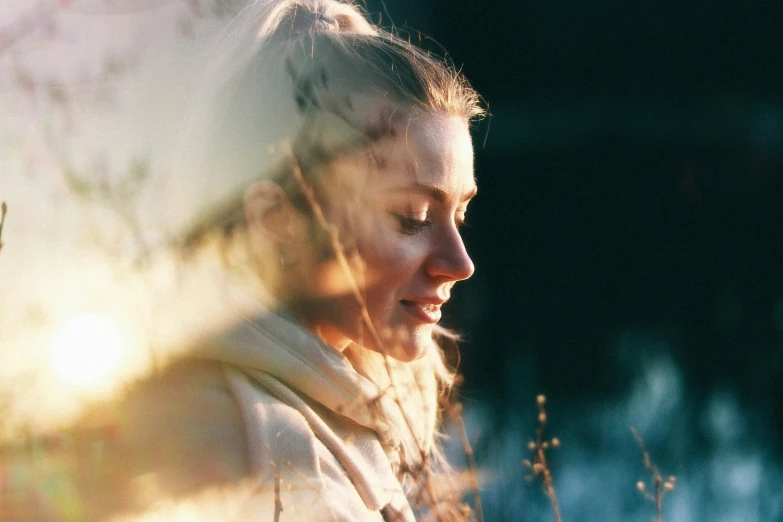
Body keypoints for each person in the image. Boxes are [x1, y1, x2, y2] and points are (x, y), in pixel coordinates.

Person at [65, 1, 484, 520]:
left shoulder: (324, 404)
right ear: (276, 219)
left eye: (460, 216)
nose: (459, 263)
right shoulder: (274, 461)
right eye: (413, 216)